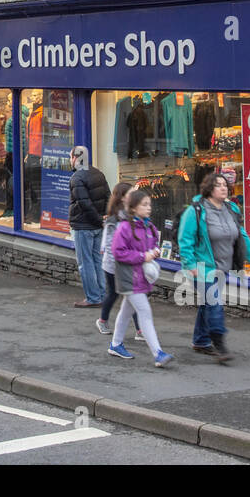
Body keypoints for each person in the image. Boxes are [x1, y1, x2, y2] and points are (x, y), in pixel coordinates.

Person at [177, 172, 250, 363]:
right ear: (209, 189)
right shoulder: (196, 211)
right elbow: (185, 239)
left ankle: (200, 341)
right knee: (214, 303)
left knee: (208, 304)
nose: (224, 188)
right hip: (201, 268)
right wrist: (190, 264)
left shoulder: (231, 208)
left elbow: (242, 237)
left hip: (222, 268)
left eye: (225, 184)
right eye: (218, 185)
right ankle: (220, 344)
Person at [108, 189, 173, 366]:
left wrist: (155, 252)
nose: (149, 208)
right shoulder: (125, 228)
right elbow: (118, 252)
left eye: (149, 204)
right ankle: (158, 353)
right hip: (129, 276)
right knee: (144, 311)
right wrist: (143, 256)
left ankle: (115, 344)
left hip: (140, 277)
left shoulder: (148, 227)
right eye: (144, 205)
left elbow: (151, 246)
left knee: (126, 311)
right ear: (134, 208)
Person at [68, 146, 111, 308]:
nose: (70, 160)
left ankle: (93, 298)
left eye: (71, 157)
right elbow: (108, 196)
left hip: (83, 225)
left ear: (75, 158)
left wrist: (99, 219)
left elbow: (84, 204)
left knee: (85, 263)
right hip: (98, 225)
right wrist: (103, 217)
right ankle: (100, 295)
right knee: (97, 260)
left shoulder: (76, 178)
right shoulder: (98, 173)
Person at [96, 181, 136, 335]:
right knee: (115, 294)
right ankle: (102, 321)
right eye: (130, 194)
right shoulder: (114, 220)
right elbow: (109, 245)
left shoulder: (131, 215)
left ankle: (139, 330)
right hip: (114, 264)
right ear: (122, 198)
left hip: (127, 263)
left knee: (132, 295)